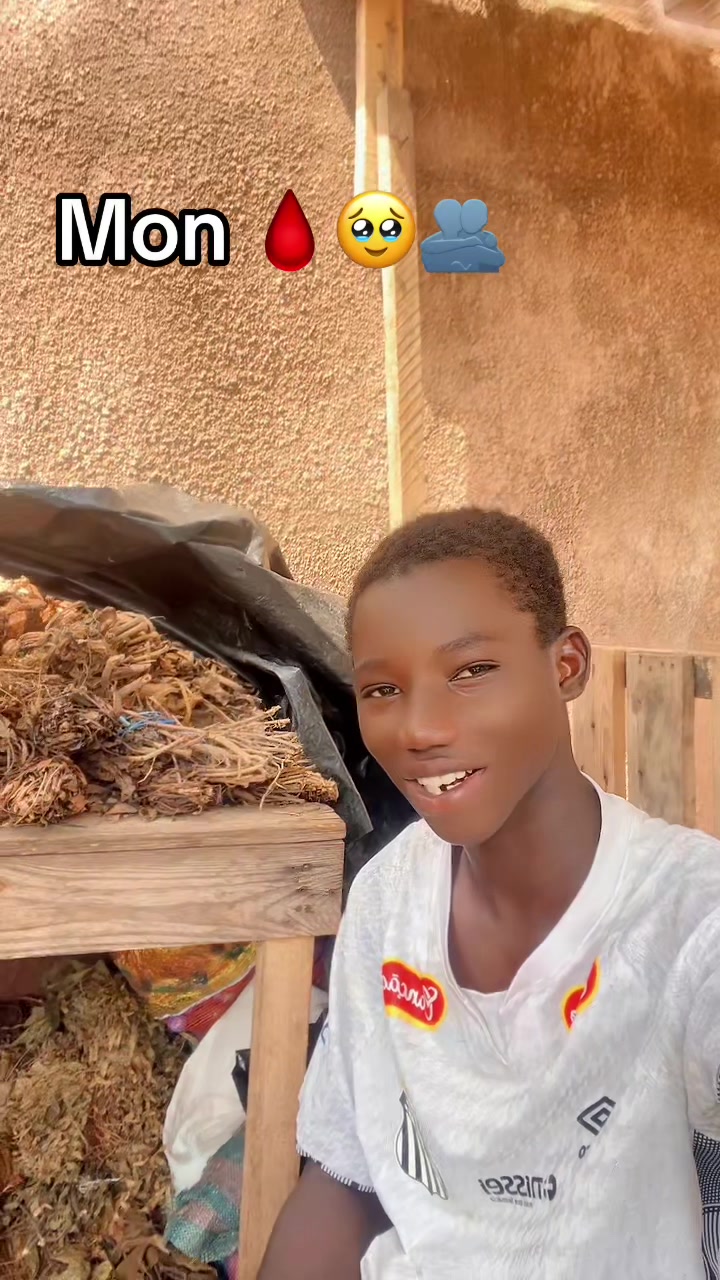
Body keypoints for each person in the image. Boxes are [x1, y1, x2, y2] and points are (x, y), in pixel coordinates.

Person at [259, 507, 720, 1280]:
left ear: (566, 666)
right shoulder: (387, 902)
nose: (420, 728)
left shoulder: (690, 921)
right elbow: (345, 1179)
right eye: (382, 689)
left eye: (470, 671)